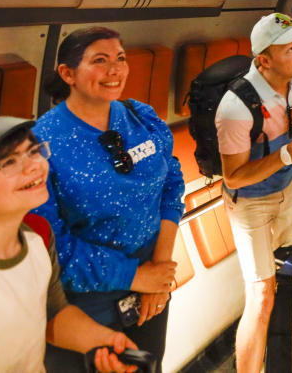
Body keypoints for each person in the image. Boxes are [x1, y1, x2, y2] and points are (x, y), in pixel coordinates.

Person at [0, 116, 136, 372]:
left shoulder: (37, 234)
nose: (35, 166)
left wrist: (104, 340)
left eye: (34, 151)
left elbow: (52, 313)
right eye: (9, 162)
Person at [33, 27, 186, 371]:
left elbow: (172, 186)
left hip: (151, 293)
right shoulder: (41, 143)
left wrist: (159, 275)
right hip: (86, 310)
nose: (115, 70)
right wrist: (137, 276)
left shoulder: (140, 117)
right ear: (67, 74)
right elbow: (51, 247)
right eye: (99, 61)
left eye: (120, 58)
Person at [214, 12, 292, 373]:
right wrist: (287, 155)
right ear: (264, 60)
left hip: (288, 188)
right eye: (290, 48)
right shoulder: (236, 107)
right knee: (261, 294)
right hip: (251, 203)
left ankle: (286, 358)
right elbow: (234, 177)